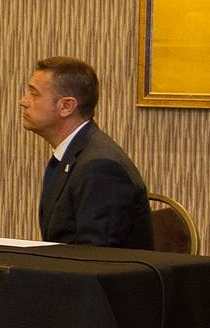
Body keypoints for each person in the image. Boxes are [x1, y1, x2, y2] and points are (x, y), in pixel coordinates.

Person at [20, 57, 152, 249]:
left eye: (34, 94)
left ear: (66, 106)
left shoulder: (100, 167)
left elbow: (97, 258)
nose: (23, 101)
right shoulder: (73, 155)